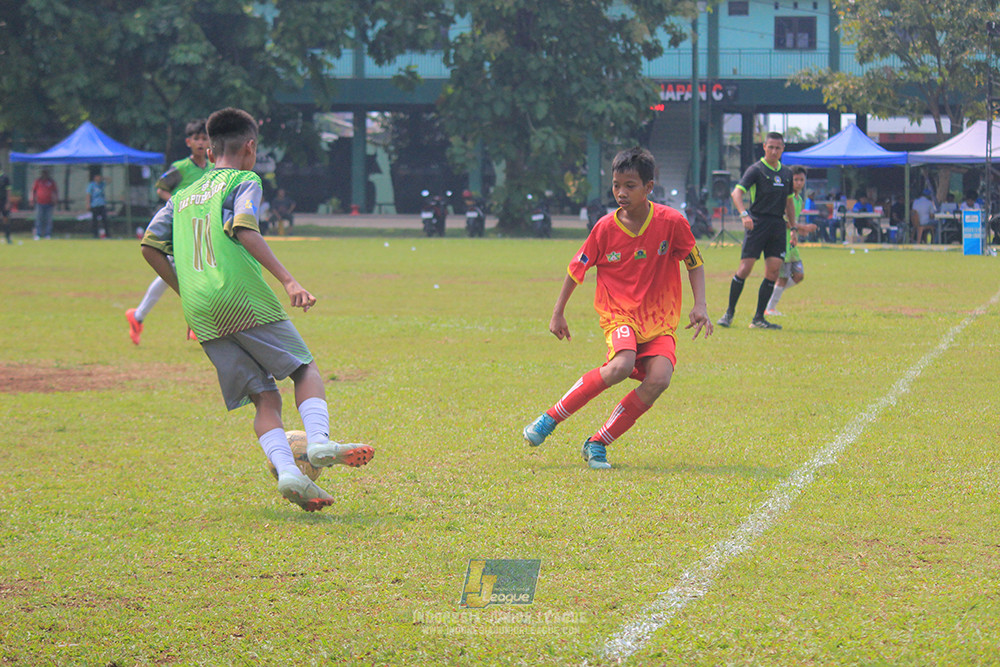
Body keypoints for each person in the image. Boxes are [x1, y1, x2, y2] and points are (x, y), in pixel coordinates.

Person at [140, 107, 374, 511]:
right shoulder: (243, 180)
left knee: (264, 397)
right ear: (250, 147)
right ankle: (318, 443)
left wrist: (187, 293)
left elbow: (149, 246)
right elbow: (245, 227)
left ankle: (288, 474)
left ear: (209, 151)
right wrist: (289, 281)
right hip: (241, 296)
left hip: (201, 311)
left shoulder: (181, 196)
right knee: (303, 369)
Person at [521, 147, 712, 470]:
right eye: (616, 185)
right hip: (619, 313)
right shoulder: (604, 228)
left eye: (630, 186)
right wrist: (558, 312)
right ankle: (549, 419)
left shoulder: (671, 222)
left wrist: (700, 305)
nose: (621, 193)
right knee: (620, 365)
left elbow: (694, 262)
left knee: (660, 378)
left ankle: (598, 443)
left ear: (648, 187)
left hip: (659, 319)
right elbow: (576, 269)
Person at [126, 119, 214, 345]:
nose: (201, 143)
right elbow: (161, 189)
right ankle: (194, 323)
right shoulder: (181, 167)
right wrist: (180, 204)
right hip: (182, 227)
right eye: (196, 139)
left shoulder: (212, 169)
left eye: (204, 138)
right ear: (188, 142)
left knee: (187, 273)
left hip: (203, 228)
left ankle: (139, 317)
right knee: (184, 272)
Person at [717, 131, 796, 330]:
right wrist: (744, 214)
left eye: (778, 148)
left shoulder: (787, 173)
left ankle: (759, 318)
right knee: (745, 268)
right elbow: (736, 193)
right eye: (771, 147)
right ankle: (729, 313)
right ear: (764, 147)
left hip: (777, 226)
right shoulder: (756, 170)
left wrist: (793, 228)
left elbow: (789, 203)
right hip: (757, 223)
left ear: (783, 149)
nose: (774, 151)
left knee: (774, 270)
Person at [765, 166, 816, 317]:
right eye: (796, 180)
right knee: (783, 276)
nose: (799, 183)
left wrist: (799, 230)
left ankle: (771, 295)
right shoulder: (786, 198)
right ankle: (770, 308)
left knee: (799, 275)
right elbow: (784, 221)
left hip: (792, 243)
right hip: (782, 241)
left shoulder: (799, 199)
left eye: (801, 180)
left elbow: (792, 223)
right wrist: (803, 227)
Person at [31, 169, 58, 240]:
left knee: (48, 219)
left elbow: (55, 191)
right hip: (39, 203)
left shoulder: (51, 182)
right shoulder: (38, 181)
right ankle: (38, 234)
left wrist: (55, 200)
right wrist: (32, 199)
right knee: (39, 218)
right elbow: (33, 190)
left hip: (49, 203)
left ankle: (47, 234)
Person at [86, 172, 109, 239]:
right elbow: (88, 194)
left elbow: (110, 180)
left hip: (102, 204)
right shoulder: (91, 185)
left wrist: (103, 178)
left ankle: (107, 234)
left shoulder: (102, 184)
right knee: (95, 221)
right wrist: (88, 204)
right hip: (94, 205)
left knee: (105, 220)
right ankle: (95, 235)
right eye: (97, 177)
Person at [0, 167, 10, 244]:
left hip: (3, 201)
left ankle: (8, 237)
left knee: (5, 218)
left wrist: (7, 202)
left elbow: (8, 190)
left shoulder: (5, 177)